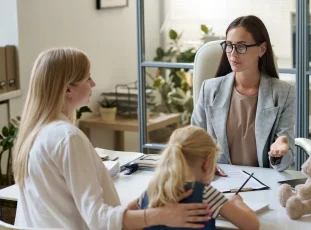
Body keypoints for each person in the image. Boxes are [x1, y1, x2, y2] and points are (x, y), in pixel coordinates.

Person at [13, 47, 211, 229]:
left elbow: (73, 209)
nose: (93, 83)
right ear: (67, 89)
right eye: (87, 77)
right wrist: (159, 215)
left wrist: (142, 202)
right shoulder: (68, 138)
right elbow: (99, 220)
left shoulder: (34, 134)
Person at [191, 15, 295, 173]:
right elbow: (193, 141)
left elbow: (285, 161)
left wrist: (279, 153)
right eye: (229, 45)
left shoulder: (284, 93)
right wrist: (204, 164)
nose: (233, 53)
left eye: (241, 46)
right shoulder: (209, 89)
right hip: (219, 180)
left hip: (263, 183)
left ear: (262, 49)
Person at [127, 126, 260, 230]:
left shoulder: (154, 189)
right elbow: (252, 225)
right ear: (207, 163)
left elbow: (127, 214)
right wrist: (237, 201)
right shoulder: (206, 194)